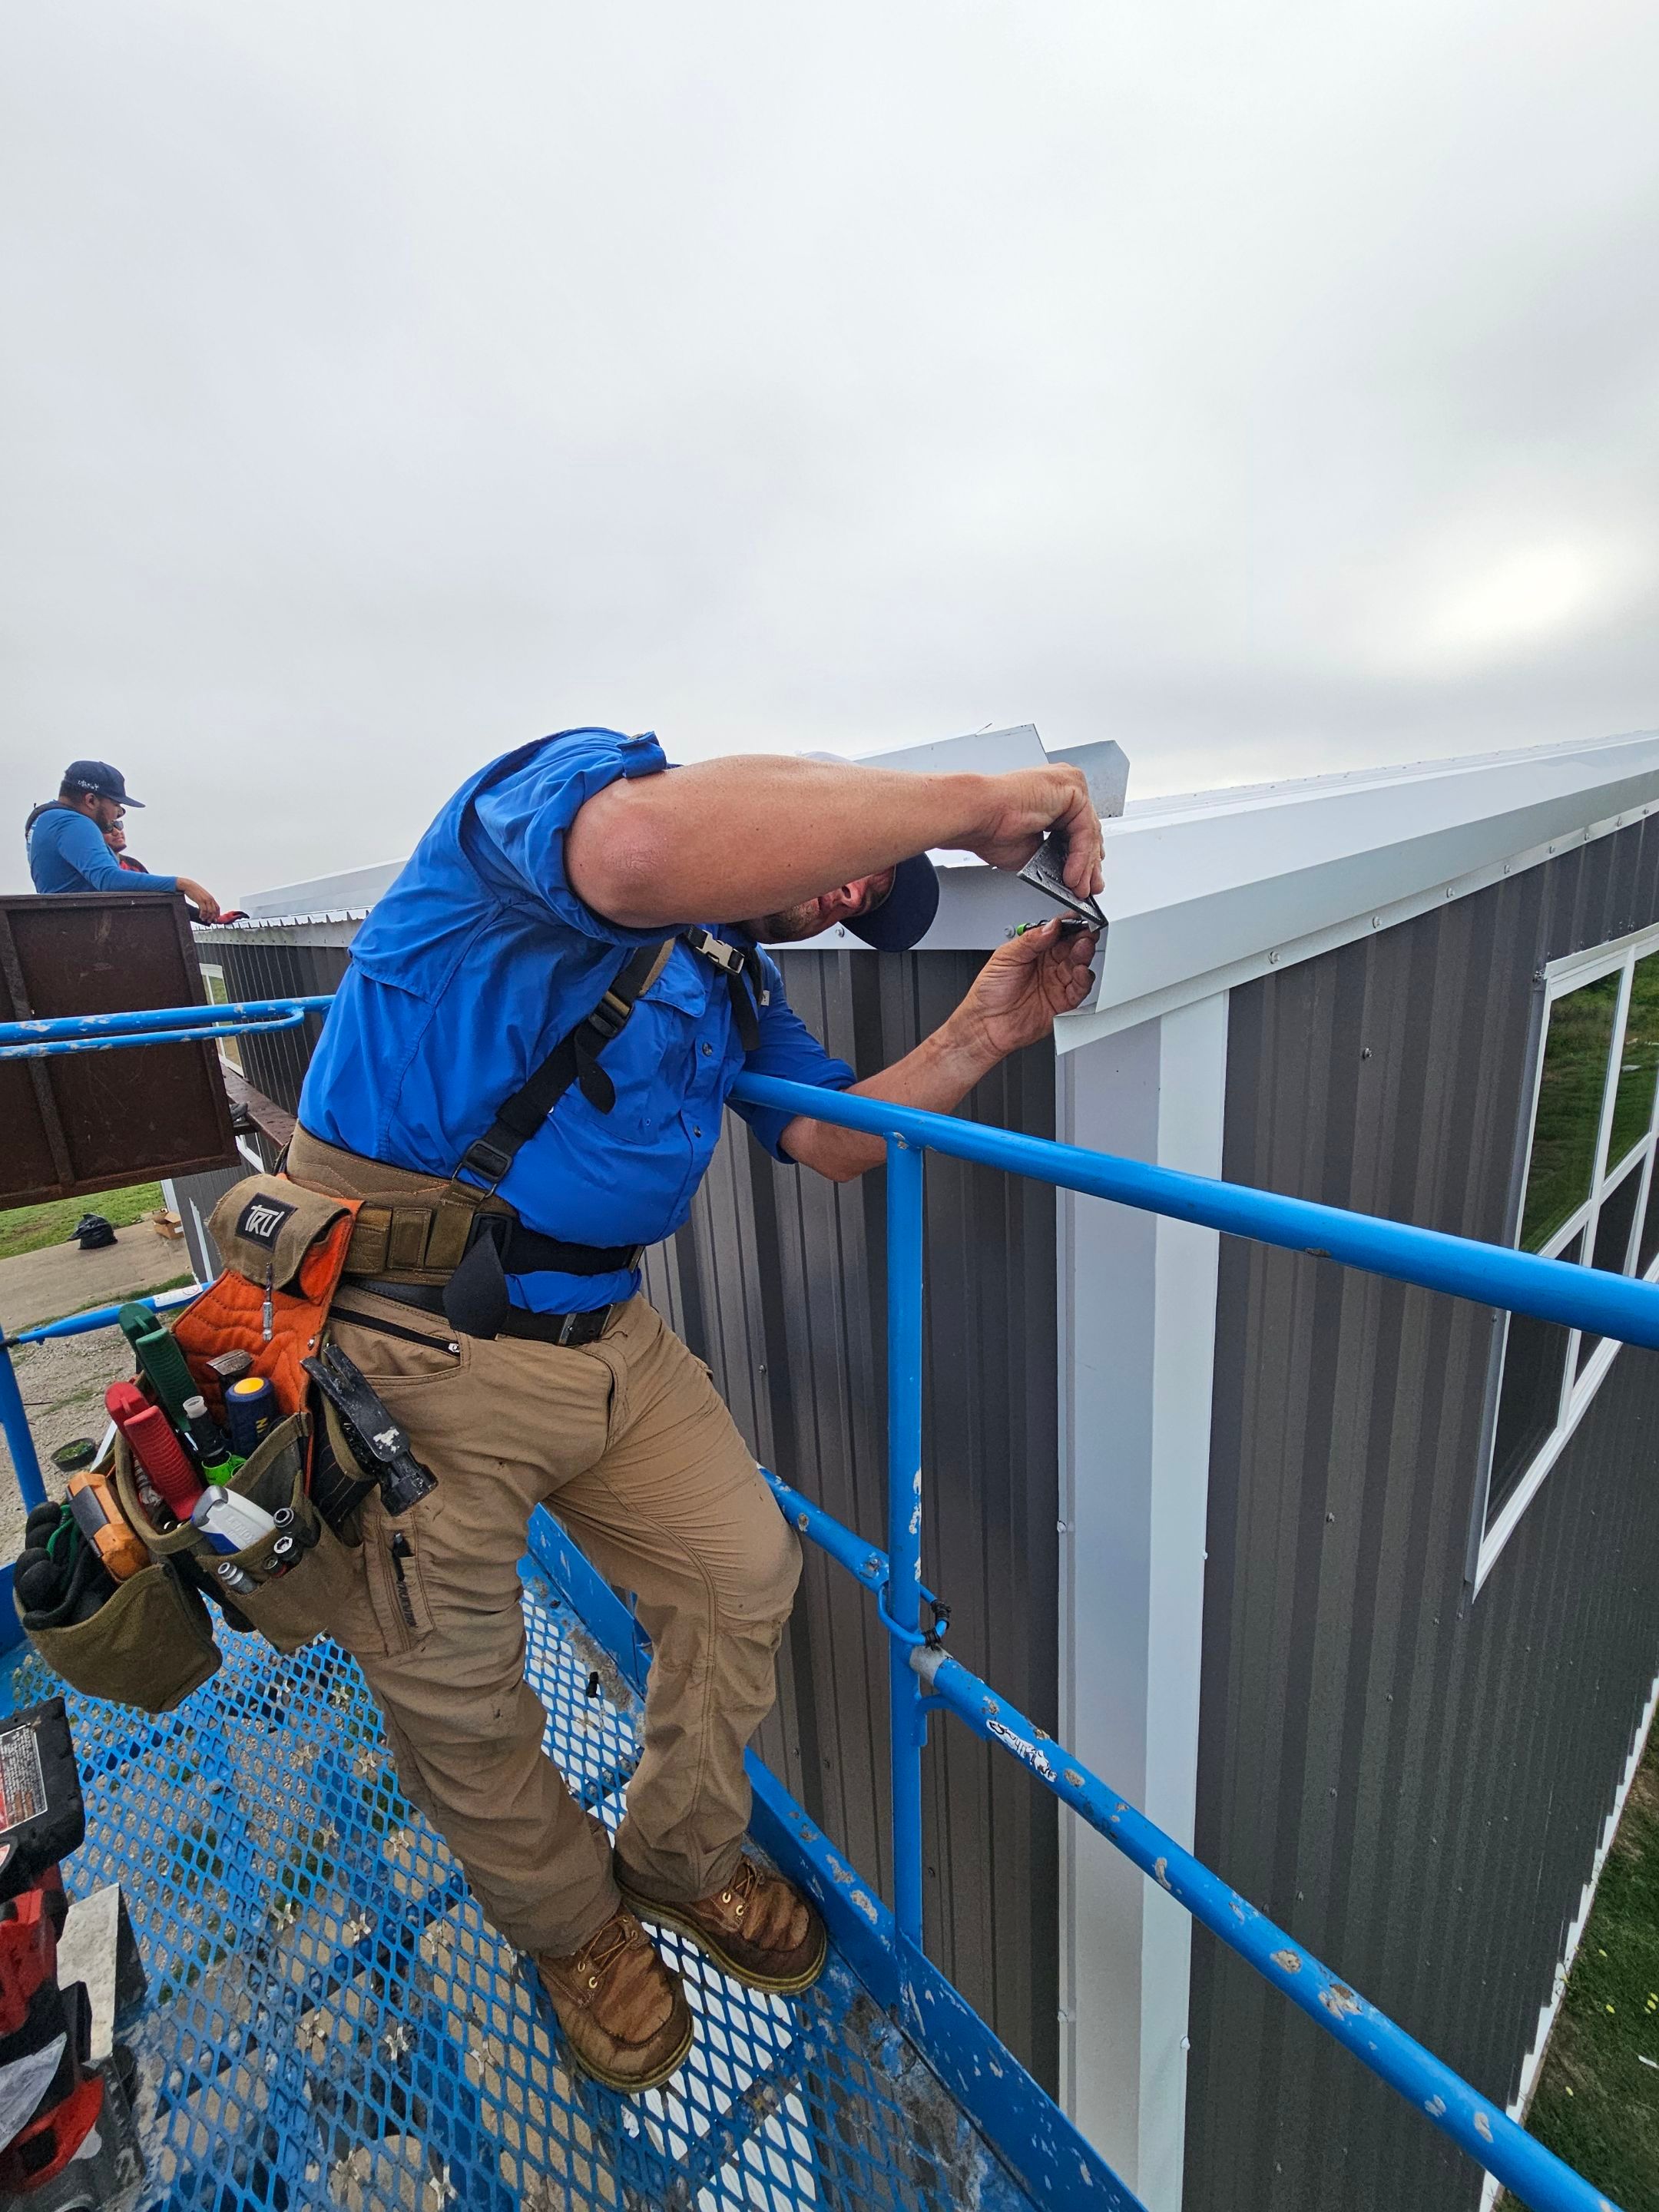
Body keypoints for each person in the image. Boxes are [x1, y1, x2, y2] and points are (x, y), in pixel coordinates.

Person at [285, 727, 1102, 2094]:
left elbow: (837, 1141)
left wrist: (989, 1026)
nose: (858, 891)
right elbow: (644, 850)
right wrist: (987, 807)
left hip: (605, 1333)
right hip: (404, 1340)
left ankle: (676, 1861)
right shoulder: (545, 818)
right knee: (463, 1693)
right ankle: (574, 1931)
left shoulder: (735, 983)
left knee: (742, 1570)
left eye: (877, 899)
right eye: (860, 860)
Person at [25, 760, 220, 919]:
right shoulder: (74, 823)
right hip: (87, 931)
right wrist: (184, 884)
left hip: (63, 925)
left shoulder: (46, 820)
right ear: (91, 800)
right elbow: (108, 879)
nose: (118, 814)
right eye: (116, 804)